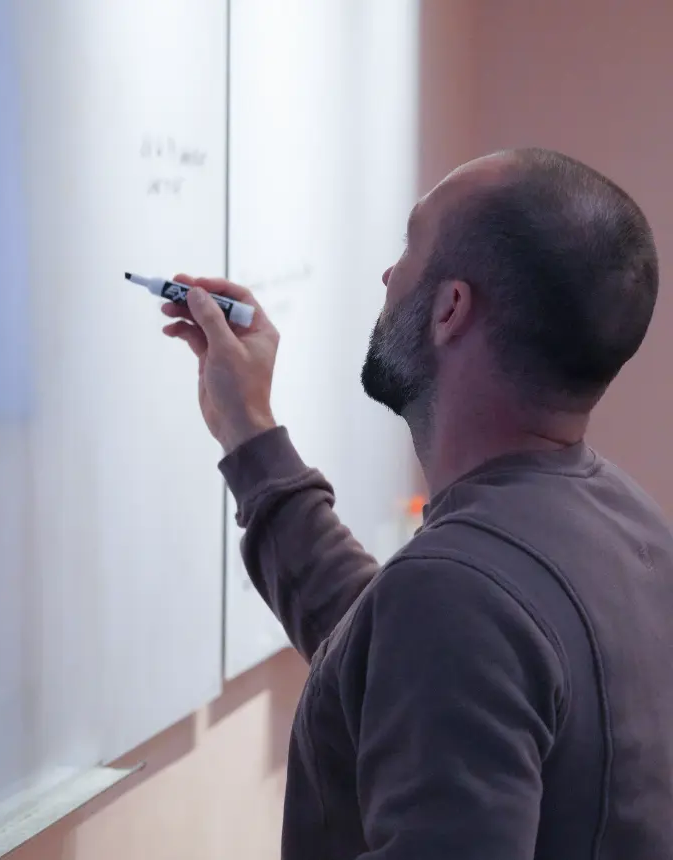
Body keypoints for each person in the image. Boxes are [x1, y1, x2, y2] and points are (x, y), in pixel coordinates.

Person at [162, 148, 673, 859]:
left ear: (450, 308)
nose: (387, 274)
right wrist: (248, 430)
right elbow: (392, 651)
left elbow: (440, 626)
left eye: (409, 246)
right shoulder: (631, 528)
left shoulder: (459, 594)